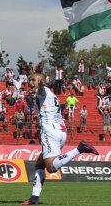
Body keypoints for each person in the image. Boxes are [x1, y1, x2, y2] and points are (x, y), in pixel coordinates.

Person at [22, 73, 99, 205]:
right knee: (39, 164)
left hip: (50, 131)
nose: (30, 82)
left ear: (40, 80)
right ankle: (34, 198)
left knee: (51, 167)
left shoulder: (43, 91)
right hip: (61, 132)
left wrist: (40, 84)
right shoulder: (52, 95)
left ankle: (80, 149)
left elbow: (40, 88)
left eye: (33, 80)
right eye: (30, 80)